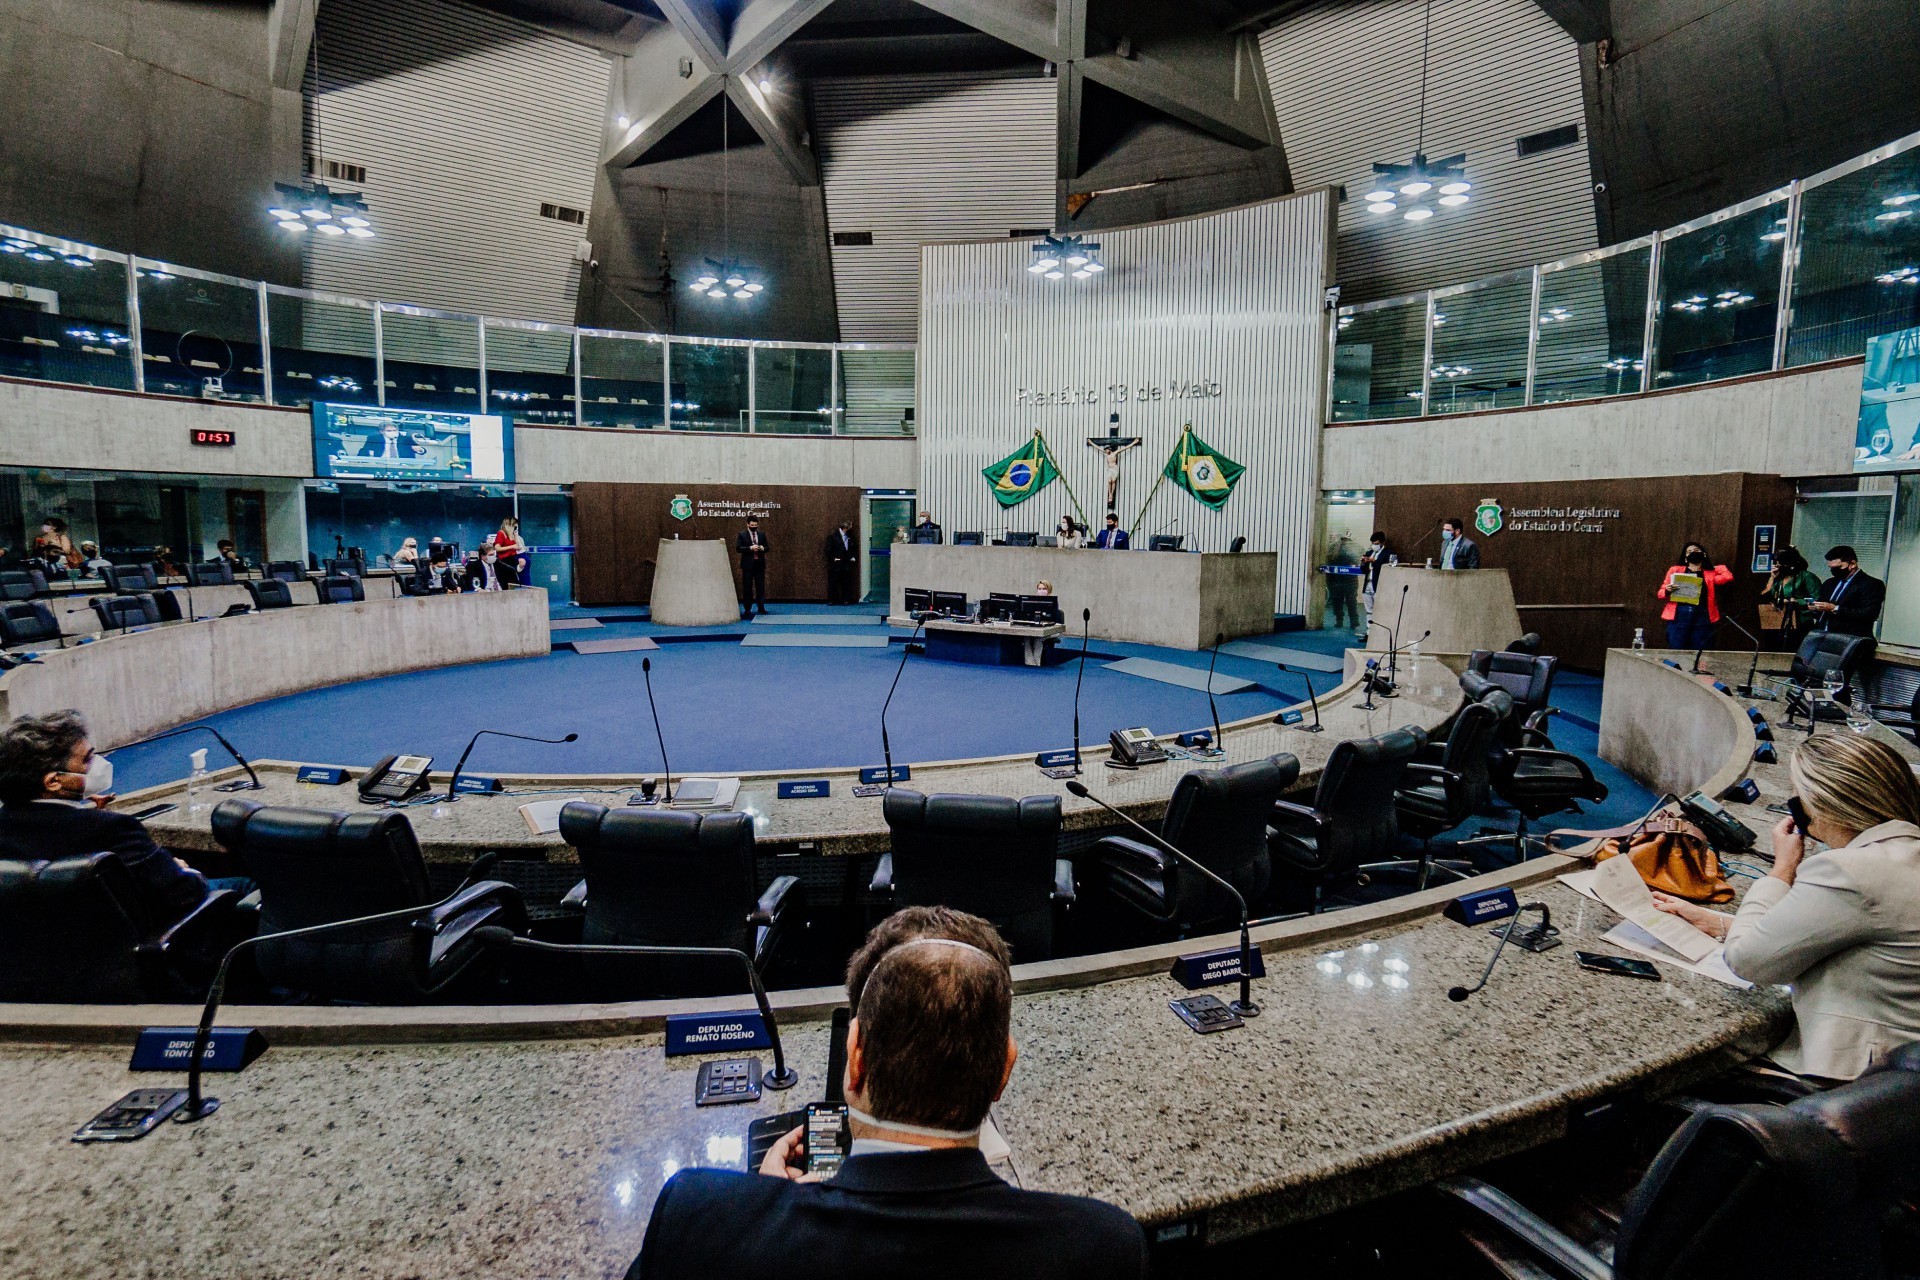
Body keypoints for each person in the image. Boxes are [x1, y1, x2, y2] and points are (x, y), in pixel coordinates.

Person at [631, 907, 1148, 1280]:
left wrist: (771, 1208)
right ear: (1003, 1071)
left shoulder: (696, 1217)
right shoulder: (1103, 1249)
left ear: (855, 1057)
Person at [1653, 734, 1920, 1083]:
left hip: (1850, 1081)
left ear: (1820, 807)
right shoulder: (1903, 854)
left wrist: (1782, 870)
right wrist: (1719, 923)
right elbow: (1850, 930)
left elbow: (1747, 963)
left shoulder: (1850, 871)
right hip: (1900, 1076)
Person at [0, 710, 210, 926]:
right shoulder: (112, 829)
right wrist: (186, 871)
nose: (97, 764)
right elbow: (183, 894)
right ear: (53, 782)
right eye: (88, 759)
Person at [1656, 544, 1731, 650]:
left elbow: (1727, 577)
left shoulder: (1710, 573)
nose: (1693, 553)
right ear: (1685, 558)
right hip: (1679, 614)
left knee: (1701, 648)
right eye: (1689, 551)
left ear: (1703, 554)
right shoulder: (1675, 570)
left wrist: (1713, 567)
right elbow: (1660, 593)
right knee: (1676, 647)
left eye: (1696, 550)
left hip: (1702, 614)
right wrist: (1667, 590)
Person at [1810, 544, 1885, 638]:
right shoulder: (1830, 583)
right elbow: (1822, 604)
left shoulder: (1871, 584)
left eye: (1838, 567)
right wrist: (1815, 607)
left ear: (1852, 564)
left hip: (1849, 637)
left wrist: (1835, 608)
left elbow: (1869, 614)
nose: (1834, 571)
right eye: (1831, 568)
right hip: (1822, 634)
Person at [1762, 545, 1822, 653]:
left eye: (1780, 563)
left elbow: (1817, 600)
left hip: (1800, 622)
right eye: (1776, 563)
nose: (1777, 565)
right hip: (1779, 621)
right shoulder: (1779, 578)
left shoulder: (1806, 577)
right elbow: (1765, 595)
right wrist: (1772, 578)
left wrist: (1797, 601)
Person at [1359, 531, 1395, 640]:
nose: (1374, 545)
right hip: (1367, 584)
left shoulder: (1388, 553)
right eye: (1373, 543)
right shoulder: (1369, 552)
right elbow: (1363, 570)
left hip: (1378, 585)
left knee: (1380, 610)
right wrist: (1364, 562)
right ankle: (1368, 632)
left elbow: (1387, 568)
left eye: (1376, 543)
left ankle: (1380, 634)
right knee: (1368, 611)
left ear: (1382, 543)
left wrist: (1373, 561)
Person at [1324, 531, 1360, 633]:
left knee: (1339, 602)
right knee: (1350, 602)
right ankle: (1353, 622)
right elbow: (1356, 562)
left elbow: (1328, 563)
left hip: (1337, 580)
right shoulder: (1353, 549)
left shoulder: (1332, 549)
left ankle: (1341, 621)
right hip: (1348, 580)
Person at [737, 518, 770, 617]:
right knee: (747, 587)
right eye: (752, 525)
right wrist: (750, 548)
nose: (754, 527)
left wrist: (762, 548)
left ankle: (761, 607)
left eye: (756, 525)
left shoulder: (761, 534)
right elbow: (738, 548)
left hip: (759, 564)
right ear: (748, 525)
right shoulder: (742, 534)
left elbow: (767, 547)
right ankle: (747, 609)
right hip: (748, 565)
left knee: (760, 587)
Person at [825, 520, 860, 606]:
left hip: (846, 562)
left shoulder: (850, 536)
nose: (851, 528)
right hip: (836, 563)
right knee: (833, 582)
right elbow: (828, 550)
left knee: (846, 582)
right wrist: (833, 558)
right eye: (850, 526)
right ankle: (832, 599)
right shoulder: (833, 536)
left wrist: (853, 557)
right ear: (845, 528)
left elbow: (854, 548)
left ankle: (846, 599)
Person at [487, 517, 529, 585]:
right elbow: (497, 548)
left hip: (513, 558)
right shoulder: (501, 533)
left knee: (515, 581)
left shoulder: (512, 534)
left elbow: (518, 547)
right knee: (507, 581)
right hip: (504, 560)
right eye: (514, 525)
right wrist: (512, 547)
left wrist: (516, 536)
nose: (515, 527)